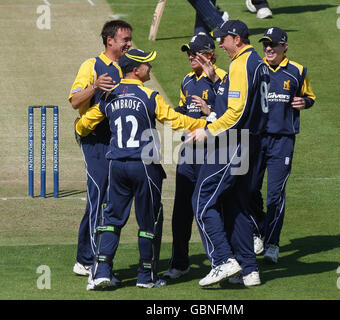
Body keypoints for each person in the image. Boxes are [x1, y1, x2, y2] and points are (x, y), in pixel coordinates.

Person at [74, 48, 209, 290]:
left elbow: (85, 124)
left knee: (112, 220)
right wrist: (206, 124)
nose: (150, 68)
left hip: (116, 165)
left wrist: (80, 129)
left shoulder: (108, 96)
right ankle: (145, 276)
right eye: (147, 64)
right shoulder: (149, 96)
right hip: (144, 166)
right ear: (135, 70)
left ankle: (102, 272)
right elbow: (175, 121)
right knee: (149, 221)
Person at [187, 20, 270, 287]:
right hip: (251, 143)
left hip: (232, 143)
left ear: (237, 38)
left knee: (201, 202)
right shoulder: (256, 62)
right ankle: (249, 269)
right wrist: (214, 79)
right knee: (236, 207)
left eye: (223, 39)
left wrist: (208, 130)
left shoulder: (240, 64)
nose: (220, 44)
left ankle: (223, 260)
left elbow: (236, 112)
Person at [68, 20, 132, 279]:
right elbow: (74, 101)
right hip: (95, 141)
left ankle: (85, 259)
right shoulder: (92, 66)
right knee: (99, 199)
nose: (129, 44)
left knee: (106, 200)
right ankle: (94, 264)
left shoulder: (127, 66)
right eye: (125, 40)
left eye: (129, 39)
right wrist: (94, 87)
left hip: (117, 142)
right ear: (110, 41)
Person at [163, 33, 227, 279]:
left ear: (209, 54)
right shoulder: (187, 81)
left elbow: (231, 114)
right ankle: (180, 263)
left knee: (212, 208)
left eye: (195, 52)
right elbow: (183, 111)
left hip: (213, 153)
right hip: (189, 153)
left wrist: (210, 111)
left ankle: (221, 261)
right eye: (188, 52)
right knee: (181, 211)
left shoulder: (223, 78)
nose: (190, 56)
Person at [257, 27, 316, 264]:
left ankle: (272, 243)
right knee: (248, 190)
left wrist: (306, 102)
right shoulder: (255, 68)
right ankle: (257, 230)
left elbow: (309, 96)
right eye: (265, 44)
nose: (269, 48)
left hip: (282, 142)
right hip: (256, 140)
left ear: (285, 47)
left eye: (273, 45)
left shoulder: (297, 71)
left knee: (275, 195)